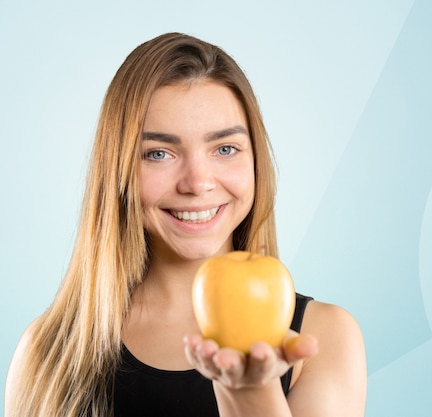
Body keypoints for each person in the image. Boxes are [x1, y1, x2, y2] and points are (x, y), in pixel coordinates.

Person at [4, 32, 367, 417]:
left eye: (225, 149)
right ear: (119, 172)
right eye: (159, 153)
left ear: (255, 159)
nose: (197, 183)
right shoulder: (46, 351)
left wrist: (252, 398)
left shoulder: (324, 336)